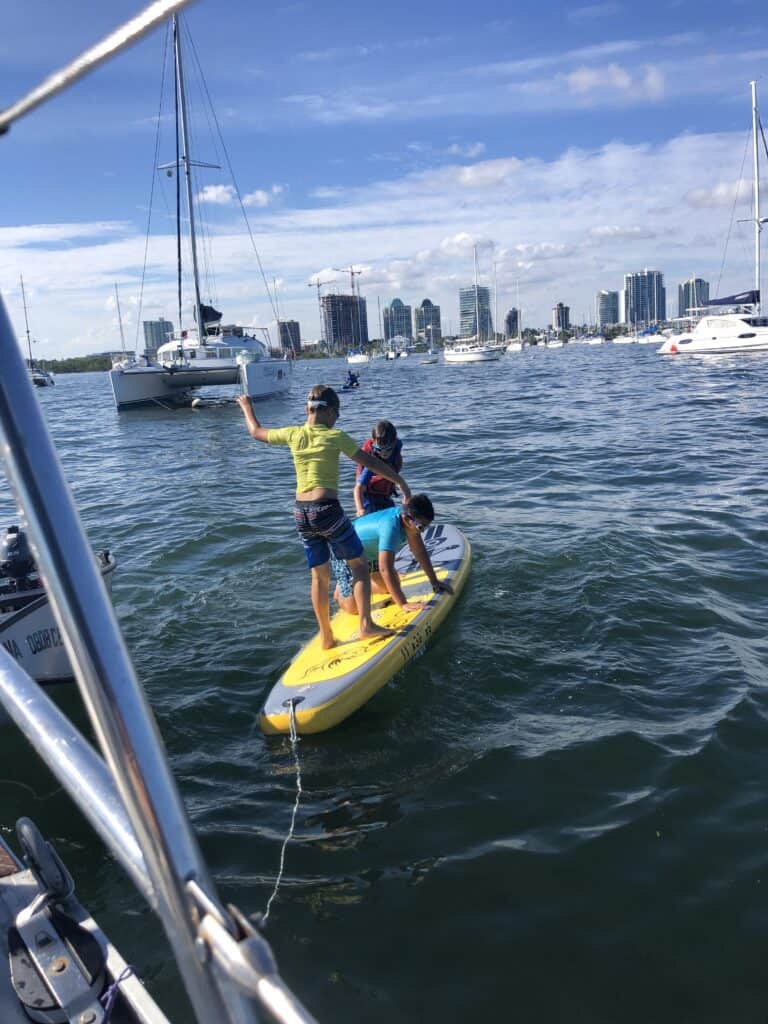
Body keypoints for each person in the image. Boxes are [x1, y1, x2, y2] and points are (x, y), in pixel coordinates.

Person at [236, 385, 411, 649]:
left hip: (300, 514)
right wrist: (400, 482)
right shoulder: (335, 436)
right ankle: (366, 625)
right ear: (329, 412)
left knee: (319, 578)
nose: (336, 419)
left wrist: (247, 407)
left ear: (308, 410)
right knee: (360, 566)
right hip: (327, 509)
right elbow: (371, 463)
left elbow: (256, 432)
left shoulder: (294, 434)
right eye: (336, 414)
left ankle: (326, 637)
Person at [332, 494, 453, 615]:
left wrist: (434, 581)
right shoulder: (390, 528)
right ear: (406, 519)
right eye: (421, 527)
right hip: (347, 554)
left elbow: (420, 552)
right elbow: (385, 569)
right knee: (353, 609)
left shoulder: (409, 522)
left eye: (426, 527)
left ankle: (362, 584)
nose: (423, 531)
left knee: (387, 589)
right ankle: (341, 593)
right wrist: (403, 603)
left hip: (371, 554)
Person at [354, 420, 403, 517]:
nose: (384, 453)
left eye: (388, 449)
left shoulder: (396, 448)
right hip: (368, 497)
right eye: (379, 449)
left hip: (385, 496)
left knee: (394, 516)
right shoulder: (372, 463)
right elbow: (358, 489)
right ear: (373, 443)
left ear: (394, 442)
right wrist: (360, 509)